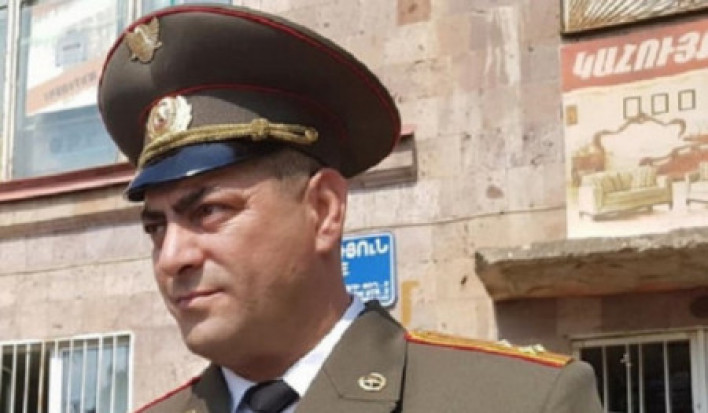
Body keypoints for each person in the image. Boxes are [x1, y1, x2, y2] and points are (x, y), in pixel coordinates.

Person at [98, 4, 603, 413]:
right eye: (156, 227)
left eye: (209, 211)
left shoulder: (518, 401)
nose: (172, 258)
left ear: (324, 209)